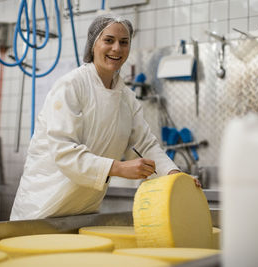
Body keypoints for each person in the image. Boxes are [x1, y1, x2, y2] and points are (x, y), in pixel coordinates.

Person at [10, 14, 197, 221]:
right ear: (93, 45)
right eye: (109, 40)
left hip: (81, 211)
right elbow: (65, 153)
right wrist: (119, 168)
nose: (117, 48)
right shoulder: (71, 86)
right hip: (41, 208)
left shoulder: (126, 98)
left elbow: (146, 144)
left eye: (124, 42)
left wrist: (174, 174)